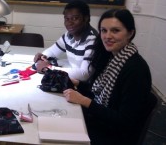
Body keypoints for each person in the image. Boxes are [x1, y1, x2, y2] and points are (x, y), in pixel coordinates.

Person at [63, 9, 152, 145]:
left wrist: (85, 101)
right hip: (101, 123)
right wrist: (78, 84)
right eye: (103, 30)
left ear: (130, 33)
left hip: (113, 136)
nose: (107, 36)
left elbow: (125, 121)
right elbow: (98, 91)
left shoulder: (136, 70)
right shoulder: (112, 57)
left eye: (115, 31)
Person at [34, 0, 98, 81]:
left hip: (83, 88)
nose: (69, 23)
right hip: (71, 79)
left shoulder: (92, 40)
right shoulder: (68, 35)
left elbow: (84, 74)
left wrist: (49, 68)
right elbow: (53, 52)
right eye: (67, 19)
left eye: (75, 18)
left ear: (86, 18)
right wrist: (42, 57)